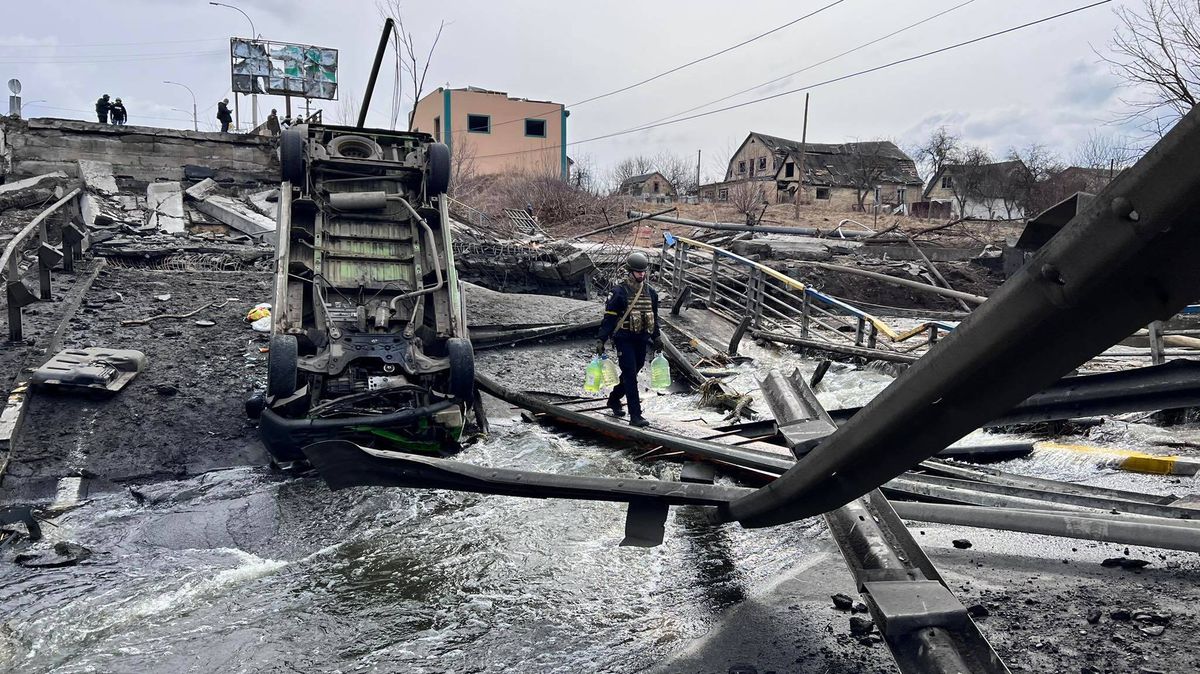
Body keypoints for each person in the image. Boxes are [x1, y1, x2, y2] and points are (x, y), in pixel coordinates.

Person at [596, 252, 662, 428]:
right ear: (630, 271)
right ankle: (635, 415)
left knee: (634, 369)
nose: (641, 274)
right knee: (631, 375)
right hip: (624, 339)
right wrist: (601, 339)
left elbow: (654, 317)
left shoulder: (651, 293)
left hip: (641, 339)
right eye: (638, 272)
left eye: (643, 272)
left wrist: (657, 337)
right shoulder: (618, 292)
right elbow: (609, 319)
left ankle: (614, 399)